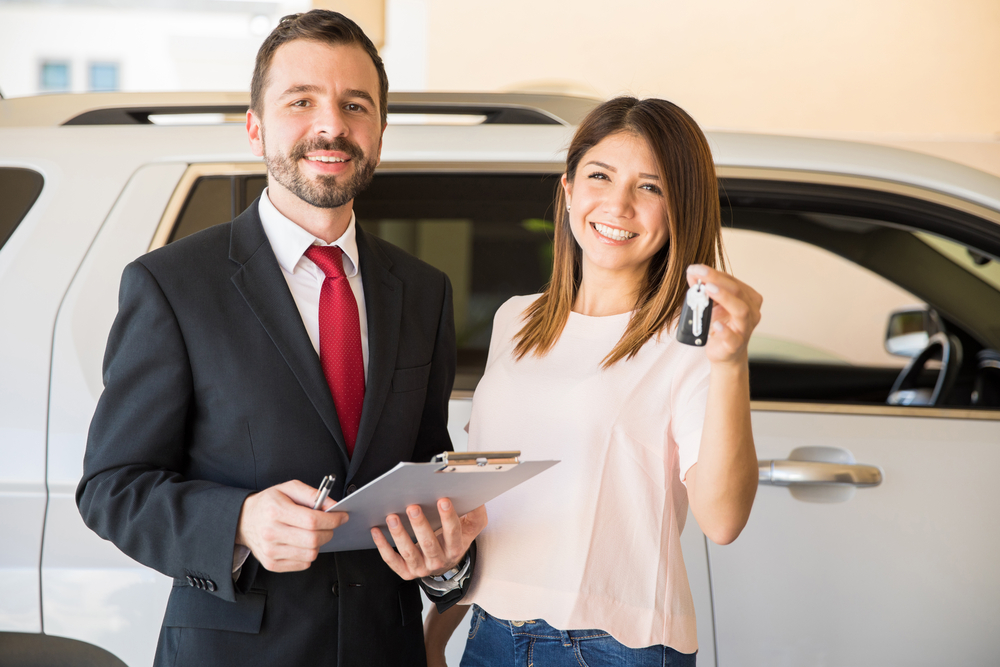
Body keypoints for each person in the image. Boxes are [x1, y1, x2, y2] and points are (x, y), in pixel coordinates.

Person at [76, 10, 485, 667]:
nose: (331, 125)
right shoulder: (173, 285)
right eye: (301, 101)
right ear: (255, 127)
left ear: (379, 132)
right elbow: (111, 488)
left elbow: (421, 470)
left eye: (356, 104)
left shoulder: (423, 290)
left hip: (386, 648)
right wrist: (237, 521)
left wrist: (444, 562)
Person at [424, 97, 762, 666]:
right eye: (599, 176)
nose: (619, 204)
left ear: (682, 210)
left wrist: (730, 362)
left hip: (613, 648)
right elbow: (485, 508)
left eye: (650, 188)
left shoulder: (692, 340)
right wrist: (437, 632)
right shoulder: (516, 320)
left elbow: (723, 521)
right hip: (489, 635)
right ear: (567, 191)